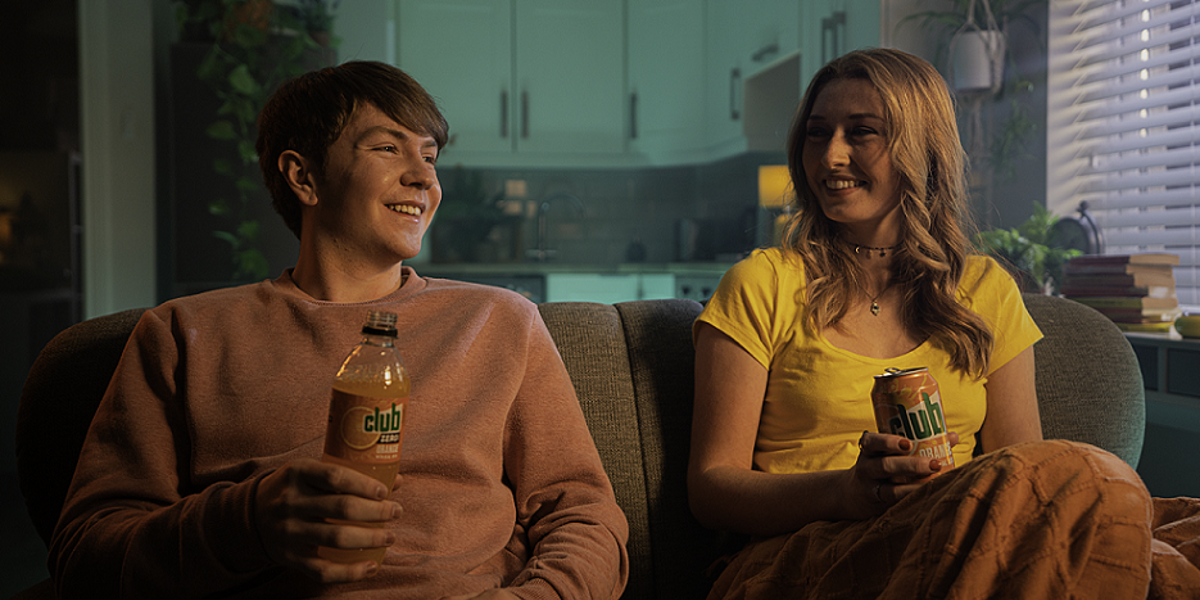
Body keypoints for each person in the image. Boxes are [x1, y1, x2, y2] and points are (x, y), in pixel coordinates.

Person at [49, 61, 629, 600]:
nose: (424, 179)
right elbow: (84, 555)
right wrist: (247, 523)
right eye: (387, 147)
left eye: (430, 157)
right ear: (304, 176)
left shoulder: (500, 321)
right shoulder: (182, 334)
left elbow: (583, 513)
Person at [688, 48, 1200, 599]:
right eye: (817, 133)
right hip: (802, 551)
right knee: (1104, 496)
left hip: (958, 533)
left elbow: (1024, 471)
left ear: (921, 150)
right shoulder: (762, 283)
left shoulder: (986, 291)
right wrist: (847, 493)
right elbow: (712, 487)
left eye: (861, 133)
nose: (831, 155)